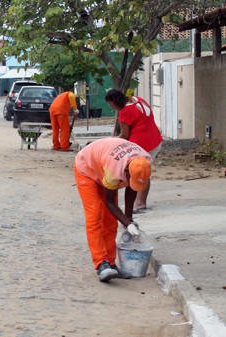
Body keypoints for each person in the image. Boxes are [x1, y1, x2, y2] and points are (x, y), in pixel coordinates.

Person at [73, 137, 151, 282]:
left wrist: (128, 220)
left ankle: (111, 264)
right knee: (95, 215)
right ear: (126, 171)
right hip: (87, 170)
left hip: (103, 164)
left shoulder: (144, 162)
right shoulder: (114, 169)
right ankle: (101, 263)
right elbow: (110, 202)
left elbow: (132, 189)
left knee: (110, 221)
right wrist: (128, 224)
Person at [105, 89, 163, 212]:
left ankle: (139, 205)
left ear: (116, 102)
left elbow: (125, 135)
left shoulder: (126, 111)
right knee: (142, 172)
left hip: (143, 146)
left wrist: (111, 141)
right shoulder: (139, 100)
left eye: (112, 105)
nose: (113, 108)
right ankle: (139, 203)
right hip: (154, 140)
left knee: (139, 173)